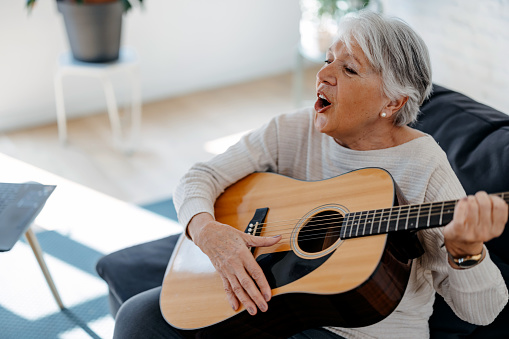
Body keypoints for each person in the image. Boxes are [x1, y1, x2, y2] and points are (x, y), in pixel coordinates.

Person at [111, 11, 508, 338]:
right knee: (138, 318)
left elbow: (485, 312)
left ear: (392, 102)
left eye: (349, 69)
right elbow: (199, 177)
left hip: (362, 331)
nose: (324, 75)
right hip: (274, 305)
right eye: (328, 59)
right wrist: (206, 230)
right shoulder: (293, 129)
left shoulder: (423, 166)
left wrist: (465, 251)